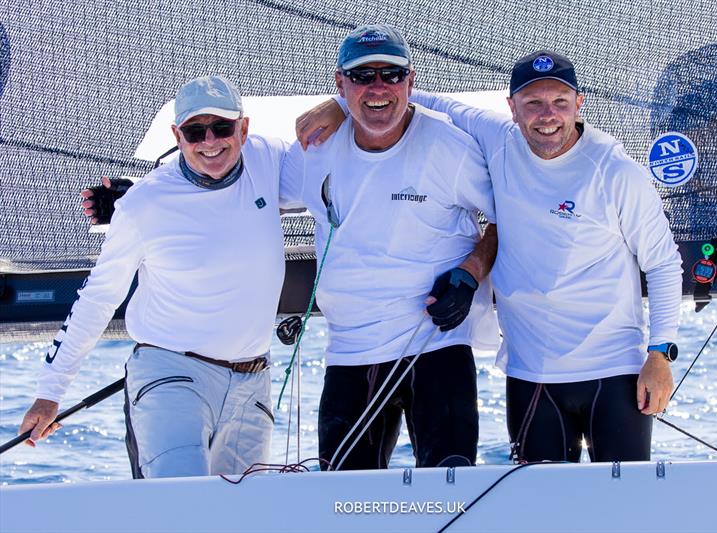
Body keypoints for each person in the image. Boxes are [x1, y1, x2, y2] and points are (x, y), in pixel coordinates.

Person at [80, 26, 499, 471]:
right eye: (361, 77)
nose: (378, 87)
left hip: (437, 346)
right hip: (351, 353)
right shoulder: (315, 151)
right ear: (340, 84)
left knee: (453, 490)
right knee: (341, 503)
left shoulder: (450, 146)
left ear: (410, 81)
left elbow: (505, 215)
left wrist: (472, 272)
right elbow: (224, 175)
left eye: (391, 75)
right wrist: (142, 194)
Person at [299, 50, 682, 463]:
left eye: (560, 102)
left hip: (613, 369)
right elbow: (418, 98)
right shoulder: (498, 140)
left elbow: (663, 263)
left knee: (622, 510)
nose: (547, 115)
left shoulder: (615, 172)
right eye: (533, 103)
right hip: (531, 373)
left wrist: (660, 353)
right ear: (512, 108)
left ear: (579, 103)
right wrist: (340, 104)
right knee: (539, 512)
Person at [19, 75, 289, 478]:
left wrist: (336, 107)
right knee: (179, 507)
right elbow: (97, 299)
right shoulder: (143, 204)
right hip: (172, 375)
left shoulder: (269, 160)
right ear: (177, 135)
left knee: (245, 516)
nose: (210, 141)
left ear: (244, 128)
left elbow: (347, 168)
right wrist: (49, 393)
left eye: (222, 128)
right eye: (196, 131)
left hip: (253, 381)